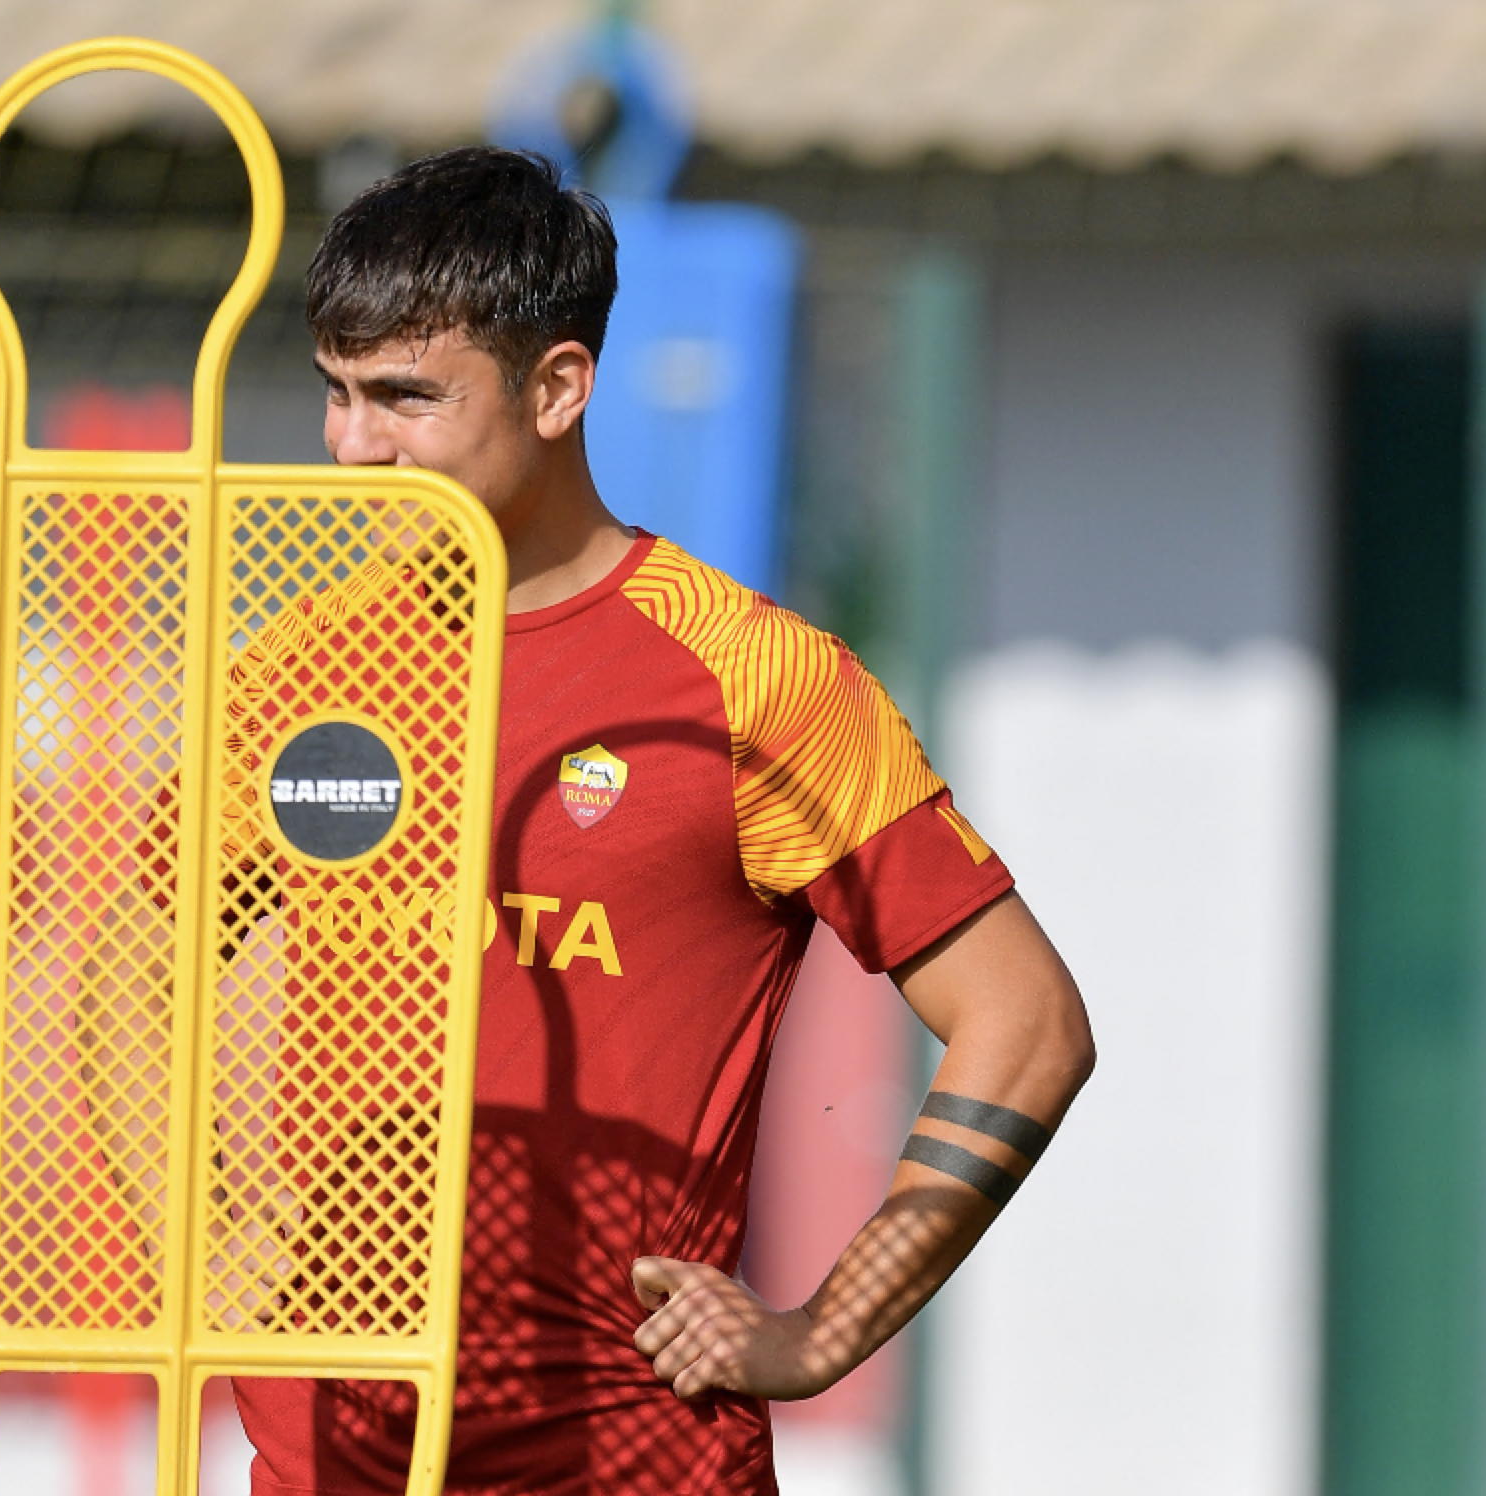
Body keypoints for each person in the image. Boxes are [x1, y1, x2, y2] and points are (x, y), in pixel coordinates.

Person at [229, 145, 1096, 1496]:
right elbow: (130, 943)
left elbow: (1026, 1024)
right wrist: (207, 1212)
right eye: (336, 395)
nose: (353, 446)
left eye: (405, 397)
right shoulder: (312, 661)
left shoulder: (756, 678)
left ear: (559, 388)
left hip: (626, 1458)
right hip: (328, 1452)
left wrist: (822, 1327)